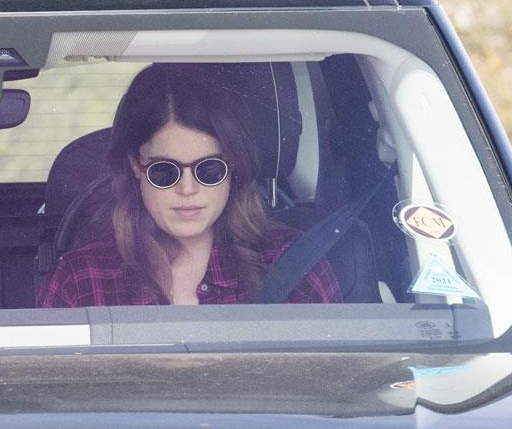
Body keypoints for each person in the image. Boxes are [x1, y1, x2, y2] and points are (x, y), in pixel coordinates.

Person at [37, 64, 341, 308]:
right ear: (135, 167)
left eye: (209, 170)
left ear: (233, 165)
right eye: (164, 172)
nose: (187, 188)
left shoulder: (296, 267)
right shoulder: (80, 281)